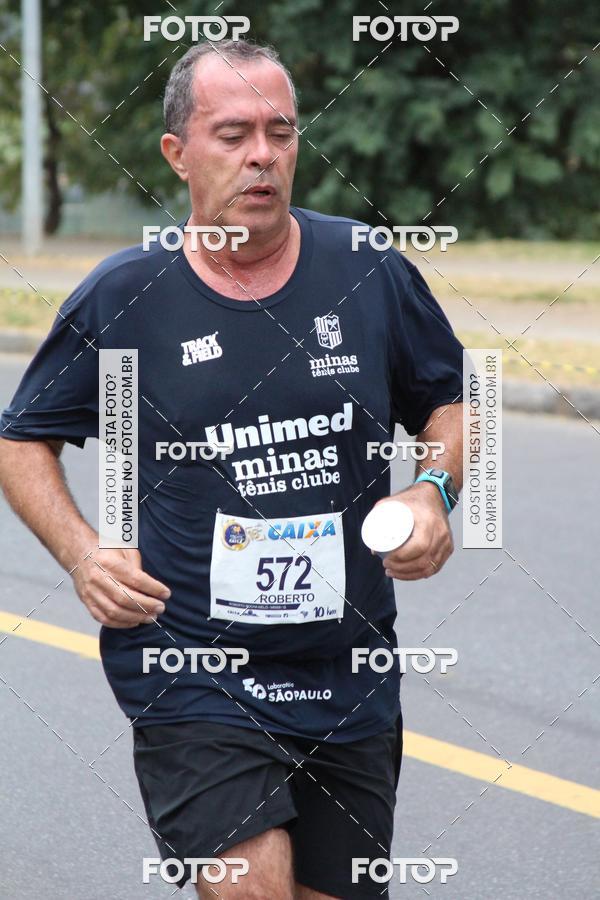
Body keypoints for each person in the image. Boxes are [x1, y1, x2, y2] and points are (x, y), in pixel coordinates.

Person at [0, 40, 464, 899]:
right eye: (234, 133)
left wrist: (435, 489)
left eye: (280, 132)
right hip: (192, 673)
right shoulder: (125, 296)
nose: (263, 154)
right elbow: (22, 436)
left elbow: (453, 399)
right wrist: (82, 554)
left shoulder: (366, 269)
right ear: (178, 153)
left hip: (348, 670)